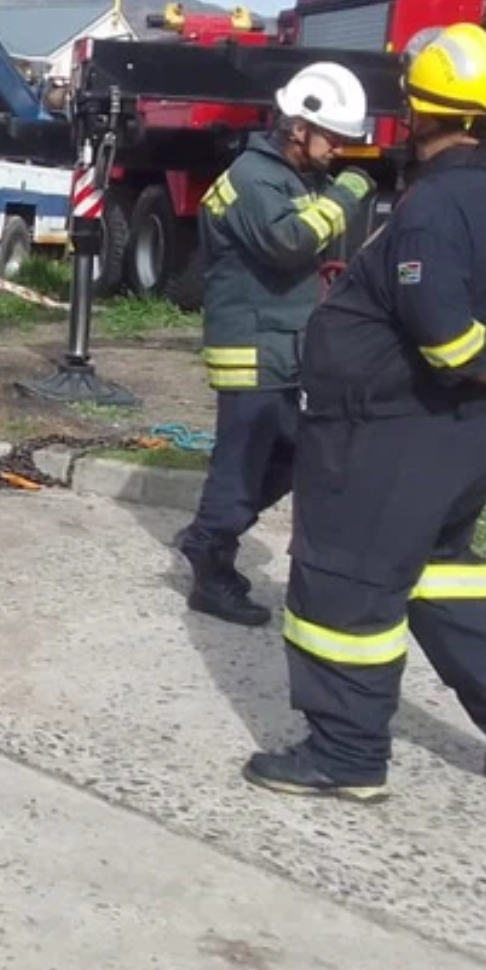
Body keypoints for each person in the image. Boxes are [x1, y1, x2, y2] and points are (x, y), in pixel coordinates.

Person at [244, 23, 486, 802]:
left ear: (418, 110)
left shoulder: (434, 205)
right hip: (469, 444)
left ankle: (345, 755)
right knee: (445, 582)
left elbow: (443, 334)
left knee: (344, 589)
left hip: (389, 438)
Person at [173, 61, 376, 627]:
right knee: (240, 468)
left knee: (287, 458)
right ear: (297, 128)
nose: (338, 150)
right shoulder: (255, 179)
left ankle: (212, 530)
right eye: (332, 138)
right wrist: (349, 193)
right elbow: (289, 242)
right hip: (253, 352)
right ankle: (209, 566)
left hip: (280, 349)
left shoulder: (284, 177)